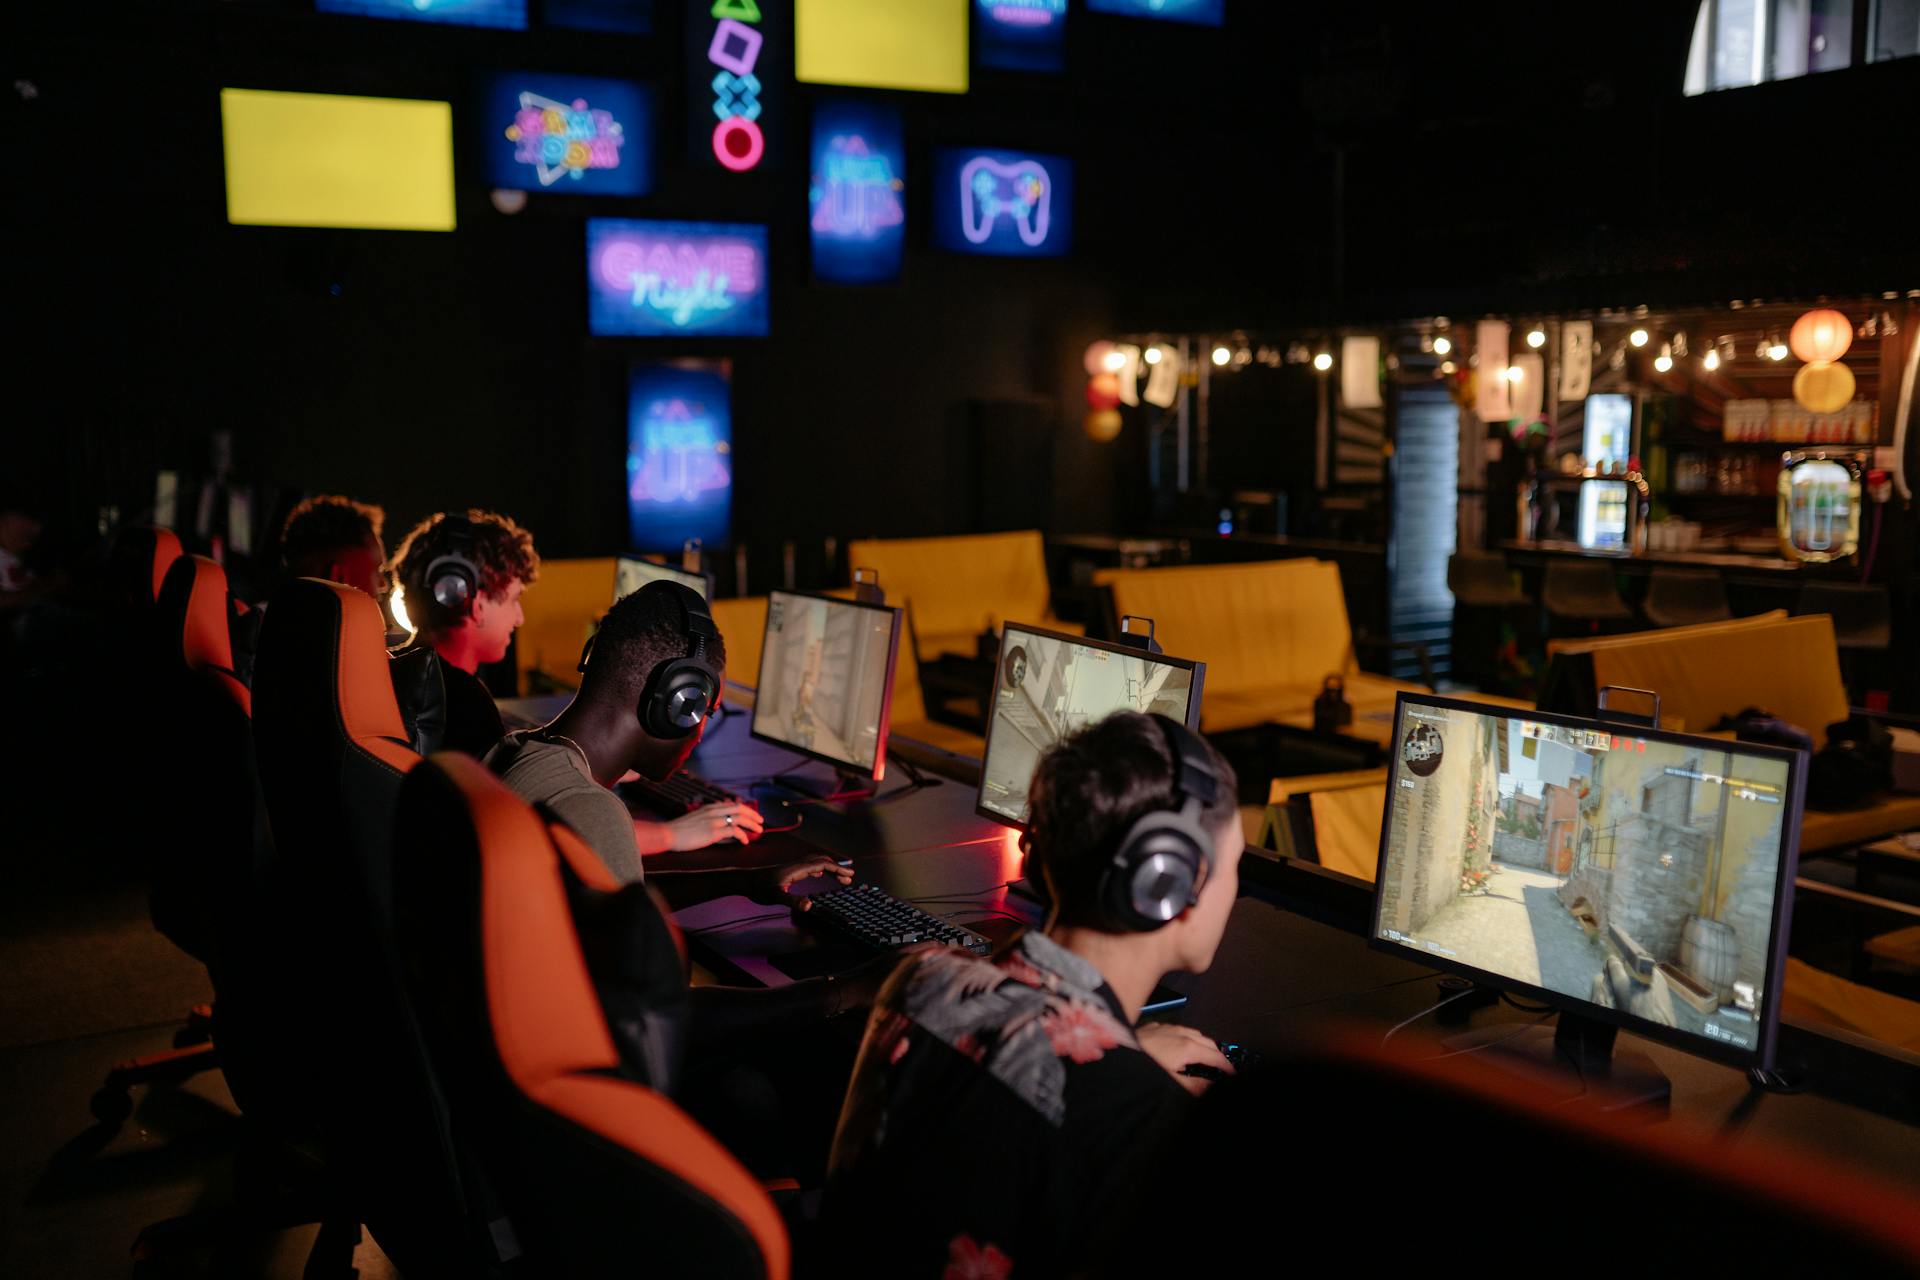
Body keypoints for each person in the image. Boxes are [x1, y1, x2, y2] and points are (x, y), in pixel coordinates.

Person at [820, 711, 1244, 1277]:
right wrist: (1134, 1084)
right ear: (1165, 883)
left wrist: (1126, 1063)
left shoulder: (921, 978)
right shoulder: (1145, 1124)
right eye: (1235, 866)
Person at [487, 578, 882, 1183]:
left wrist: (744, 879)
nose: (700, 732)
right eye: (705, 711)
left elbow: (601, 904)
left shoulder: (515, 756)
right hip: (595, 1138)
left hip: (517, 1094)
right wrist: (846, 991)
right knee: (816, 1068)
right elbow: (662, 1023)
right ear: (679, 701)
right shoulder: (590, 810)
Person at [387, 508, 539, 758]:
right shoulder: (467, 705)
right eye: (514, 599)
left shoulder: (394, 669)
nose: (519, 618)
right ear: (476, 603)